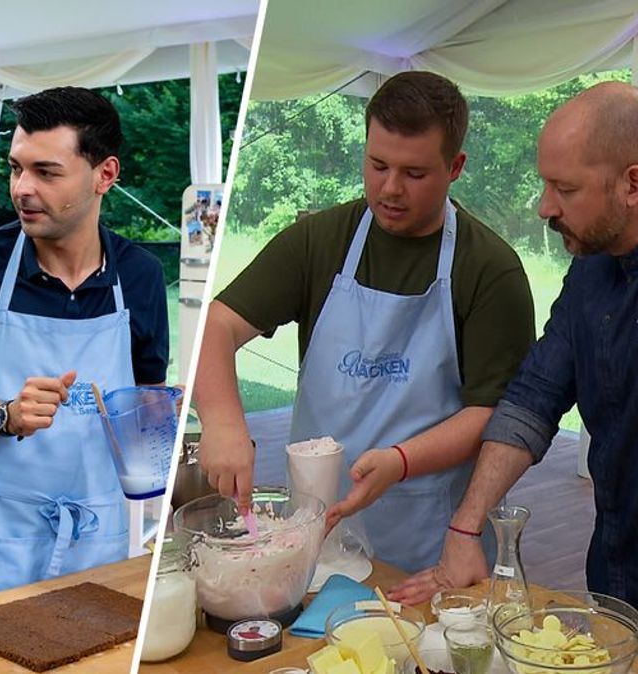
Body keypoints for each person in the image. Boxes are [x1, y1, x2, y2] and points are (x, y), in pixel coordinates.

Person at [393, 82, 638, 674]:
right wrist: (463, 528)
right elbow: (532, 400)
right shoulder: (592, 272)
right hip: (618, 573)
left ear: (633, 183)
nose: (543, 207)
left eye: (565, 188)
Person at [193, 71, 536, 573]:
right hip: (316, 530)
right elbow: (216, 324)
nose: (390, 189)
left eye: (414, 174)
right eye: (377, 165)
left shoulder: (489, 268)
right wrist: (222, 421)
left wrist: (400, 461)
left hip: (428, 539)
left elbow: (494, 414)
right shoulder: (319, 241)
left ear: (455, 166)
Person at [0, 86, 169, 610]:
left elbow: (147, 396)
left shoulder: (140, 277)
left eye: (46, 173)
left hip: (96, 543)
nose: (22, 188)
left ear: (105, 175)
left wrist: (160, 432)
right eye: (15, 168)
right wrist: (5, 415)